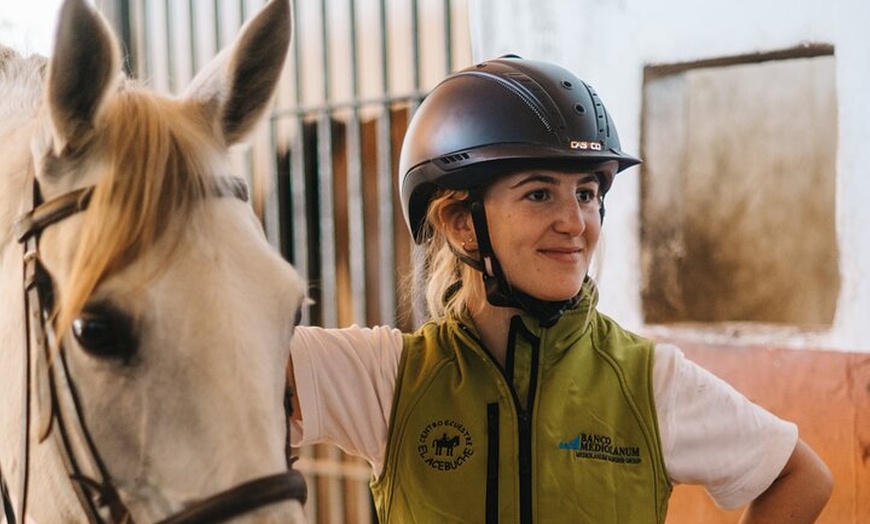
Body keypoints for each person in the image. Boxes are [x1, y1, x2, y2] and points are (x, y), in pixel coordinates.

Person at [286, 55, 833, 523]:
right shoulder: (387, 378)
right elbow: (218, 363)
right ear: (460, 223)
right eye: (539, 194)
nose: (576, 222)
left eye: (588, 193)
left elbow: (800, 475)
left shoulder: (650, 381)